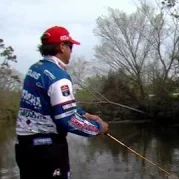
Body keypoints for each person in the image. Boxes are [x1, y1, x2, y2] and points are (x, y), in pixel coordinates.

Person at [14, 25, 109, 179]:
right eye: (70, 46)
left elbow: (50, 105)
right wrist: (98, 127)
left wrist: (84, 114)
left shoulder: (35, 69)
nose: (71, 51)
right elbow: (67, 120)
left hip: (25, 147)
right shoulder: (58, 77)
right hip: (48, 150)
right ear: (62, 47)